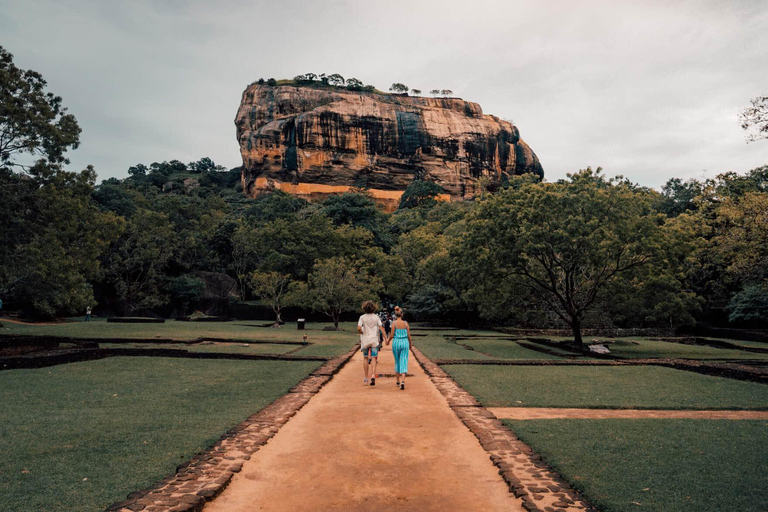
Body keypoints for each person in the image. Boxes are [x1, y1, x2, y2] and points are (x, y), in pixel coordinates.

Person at [358, 300, 387, 386]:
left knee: (365, 358)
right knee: (374, 358)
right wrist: (385, 338)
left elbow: (359, 328)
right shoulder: (376, 317)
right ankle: (373, 374)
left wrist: (362, 333)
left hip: (365, 341)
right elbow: (381, 328)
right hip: (374, 340)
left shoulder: (362, 317)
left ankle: (366, 378)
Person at [387, 306, 411, 390]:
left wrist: (388, 341)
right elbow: (409, 335)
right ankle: (403, 381)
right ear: (402, 314)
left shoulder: (394, 323)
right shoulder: (405, 323)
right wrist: (410, 344)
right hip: (404, 342)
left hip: (396, 342)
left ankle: (397, 380)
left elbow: (392, 335)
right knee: (404, 360)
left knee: (397, 361)